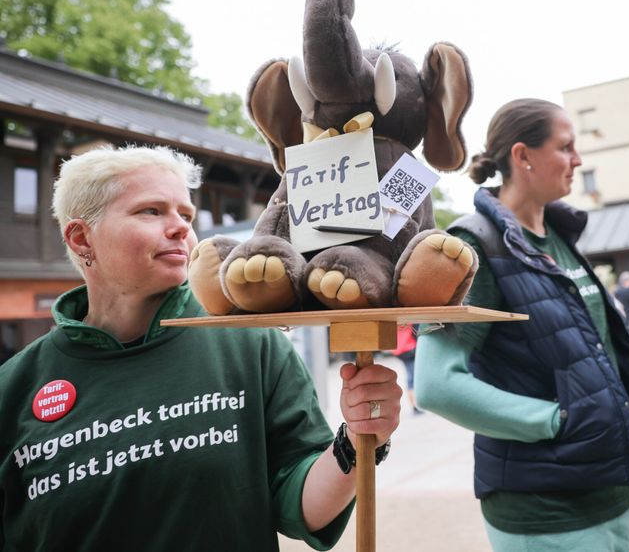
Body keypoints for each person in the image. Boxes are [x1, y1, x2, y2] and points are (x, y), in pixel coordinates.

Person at [0, 145, 402, 551]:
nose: (181, 228)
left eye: (187, 215)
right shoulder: (13, 386)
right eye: (151, 211)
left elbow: (301, 507)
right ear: (81, 236)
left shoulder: (251, 340)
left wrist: (358, 438)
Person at [414, 98, 629, 552]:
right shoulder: (473, 245)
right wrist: (556, 421)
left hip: (615, 487)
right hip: (544, 511)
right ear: (523, 156)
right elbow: (437, 385)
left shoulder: (558, 235)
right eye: (566, 147)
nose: (578, 160)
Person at [391, 323, 423, 415]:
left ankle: (414, 406)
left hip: (398, 350)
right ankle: (416, 406)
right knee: (412, 377)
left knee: (410, 375)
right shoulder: (408, 320)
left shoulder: (395, 320)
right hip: (410, 349)